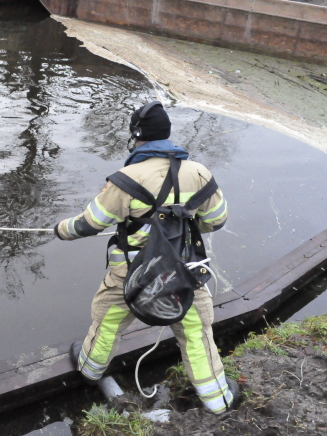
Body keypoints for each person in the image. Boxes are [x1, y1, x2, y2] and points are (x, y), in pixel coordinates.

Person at [52, 102, 240, 414]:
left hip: (131, 273)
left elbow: (89, 224)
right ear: (167, 134)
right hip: (184, 271)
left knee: (108, 321)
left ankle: (89, 371)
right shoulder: (200, 173)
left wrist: (60, 230)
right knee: (196, 333)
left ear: (137, 137)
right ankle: (218, 400)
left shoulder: (124, 179)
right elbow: (217, 220)